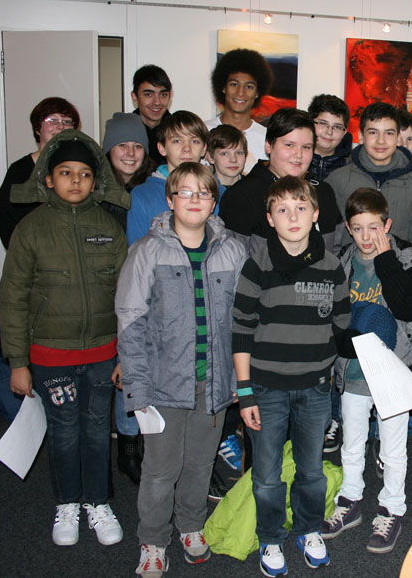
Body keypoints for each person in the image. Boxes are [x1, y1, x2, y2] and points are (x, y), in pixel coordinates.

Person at [116, 162, 248, 577]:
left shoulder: (233, 250)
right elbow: (130, 324)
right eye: (185, 192)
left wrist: (241, 383)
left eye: (203, 193)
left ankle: (190, 525)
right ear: (170, 199)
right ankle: (153, 539)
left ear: (214, 201)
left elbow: (246, 320)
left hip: (214, 384)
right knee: (160, 469)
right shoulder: (146, 252)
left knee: (199, 463)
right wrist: (137, 392)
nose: (194, 200)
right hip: (163, 385)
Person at [0, 130, 128, 548]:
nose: (76, 180)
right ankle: (67, 502)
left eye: (85, 174)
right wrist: (18, 362)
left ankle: (97, 501)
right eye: (66, 172)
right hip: (51, 356)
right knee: (64, 431)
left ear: (96, 180)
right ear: (49, 179)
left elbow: (129, 300)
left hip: (102, 354)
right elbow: (14, 299)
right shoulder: (31, 231)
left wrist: (126, 354)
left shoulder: (109, 228)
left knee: (95, 430)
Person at [232, 176, 350, 577]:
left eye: (301, 208)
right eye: (282, 209)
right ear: (270, 219)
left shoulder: (332, 267)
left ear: (316, 215)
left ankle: (309, 529)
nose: (293, 216)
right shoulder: (258, 264)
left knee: (311, 470)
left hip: (315, 388)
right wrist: (245, 392)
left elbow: (340, 325)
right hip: (265, 388)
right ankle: (270, 537)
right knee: (265, 474)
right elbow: (241, 330)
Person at [321, 188, 412, 554]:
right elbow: (333, 319)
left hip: (392, 371)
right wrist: (345, 343)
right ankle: (350, 499)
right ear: (348, 230)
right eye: (358, 229)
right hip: (352, 371)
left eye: (374, 228)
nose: (367, 238)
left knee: (392, 447)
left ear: (388, 225)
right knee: (352, 443)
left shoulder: (406, 257)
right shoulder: (342, 262)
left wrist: (386, 260)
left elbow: (407, 305)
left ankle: (391, 507)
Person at [101, 111, 154, 484]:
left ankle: (140, 444)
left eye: (138, 145)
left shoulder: (151, 189)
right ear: (109, 150)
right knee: (125, 369)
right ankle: (127, 446)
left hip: (145, 289)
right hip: (113, 291)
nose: (131, 152)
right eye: (123, 145)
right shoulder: (98, 190)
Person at [218, 107, 341, 246]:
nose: (298, 154)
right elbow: (233, 258)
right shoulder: (242, 196)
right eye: (289, 145)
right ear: (268, 146)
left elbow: (335, 251)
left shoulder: (324, 192)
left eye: (306, 147)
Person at [326, 102, 412, 248]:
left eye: (389, 133)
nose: (381, 141)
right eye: (373, 132)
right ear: (361, 136)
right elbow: (329, 240)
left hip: (398, 268)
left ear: (398, 138)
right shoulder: (338, 180)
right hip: (349, 268)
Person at [0, 96, 81, 248]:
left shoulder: (81, 169)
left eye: (67, 121)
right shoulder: (19, 171)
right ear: (37, 128)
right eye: (52, 121)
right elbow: (8, 224)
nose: (60, 127)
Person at [126, 111, 207, 245]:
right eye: (176, 141)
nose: (187, 149)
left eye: (194, 141)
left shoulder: (217, 192)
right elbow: (137, 254)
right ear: (162, 148)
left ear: (204, 149)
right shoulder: (143, 196)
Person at [205, 48, 274, 174]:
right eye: (234, 84)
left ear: (258, 92)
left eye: (249, 87)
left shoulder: (267, 138)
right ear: (223, 88)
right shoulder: (203, 131)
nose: (240, 92)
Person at [130, 65, 173, 170]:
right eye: (148, 95)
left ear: (170, 96)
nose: (157, 102)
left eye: (163, 95)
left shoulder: (178, 130)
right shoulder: (123, 131)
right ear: (135, 97)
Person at [307, 94, 352, 182]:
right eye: (323, 123)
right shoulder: (296, 160)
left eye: (337, 127)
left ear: (344, 132)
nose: (329, 132)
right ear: (310, 123)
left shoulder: (351, 167)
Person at [205, 124, 248, 193]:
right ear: (210, 157)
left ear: (245, 156)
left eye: (239, 153)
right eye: (224, 154)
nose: (233, 160)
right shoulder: (203, 188)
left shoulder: (253, 189)